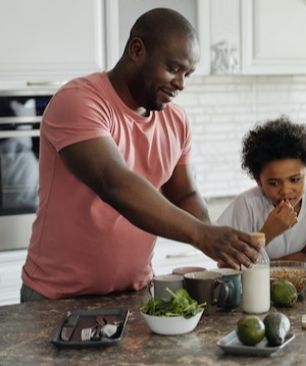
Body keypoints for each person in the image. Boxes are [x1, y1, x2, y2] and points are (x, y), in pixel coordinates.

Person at [20, 8, 261, 302]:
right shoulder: (79, 101)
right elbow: (114, 182)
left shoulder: (176, 120)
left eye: (188, 74)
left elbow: (185, 193)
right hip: (56, 298)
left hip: (135, 293)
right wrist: (201, 234)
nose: (181, 83)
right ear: (137, 50)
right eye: (173, 68)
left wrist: (216, 241)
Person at [216, 117, 306, 261]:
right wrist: (268, 233)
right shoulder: (246, 205)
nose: (285, 190)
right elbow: (226, 264)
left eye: (294, 179)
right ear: (258, 181)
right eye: (273, 183)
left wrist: (270, 270)